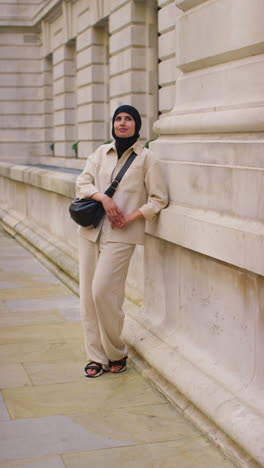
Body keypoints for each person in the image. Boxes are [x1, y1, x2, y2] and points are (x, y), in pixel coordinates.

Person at [76, 104, 168, 377]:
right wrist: (103, 198)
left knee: (103, 293)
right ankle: (95, 356)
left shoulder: (147, 158)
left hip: (122, 235)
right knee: (87, 299)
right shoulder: (99, 154)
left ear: (137, 126)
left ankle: (116, 351)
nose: (123, 123)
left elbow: (159, 199)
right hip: (90, 232)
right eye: (119, 119)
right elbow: (81, 184)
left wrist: (130, 218)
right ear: (113, 124)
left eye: (129, 119)